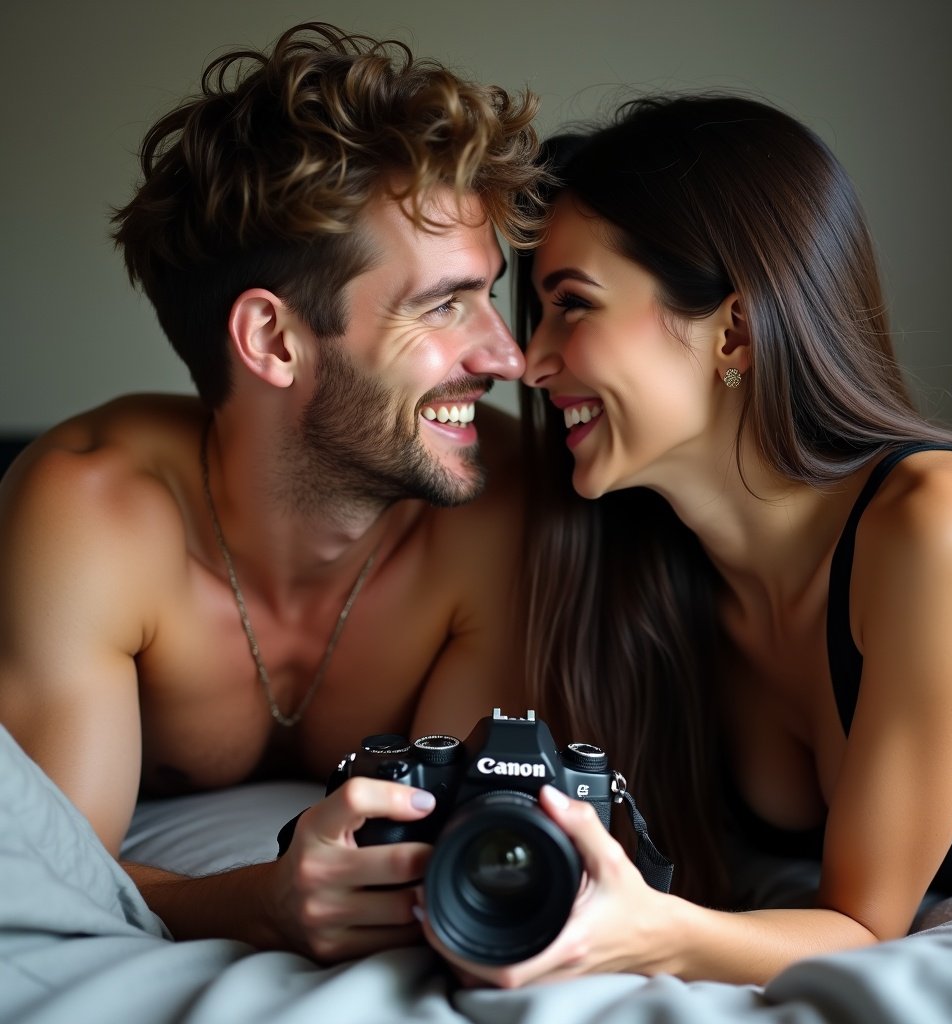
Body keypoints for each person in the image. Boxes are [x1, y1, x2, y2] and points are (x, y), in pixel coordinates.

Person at [420, 93, 952, 987]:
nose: (528, 359)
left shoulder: (941, 523)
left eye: (571, 305)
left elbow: (864, 925)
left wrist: (638, 933)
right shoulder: (636, 564)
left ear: (733, 328)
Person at [0, 22, 548, 963]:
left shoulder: (498, 507)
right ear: (275, 341)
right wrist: (264, 901)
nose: (508, 357)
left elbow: (451, 843)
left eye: (491, 296)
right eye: (443, 305)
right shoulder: (93, 508)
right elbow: (58, 876)